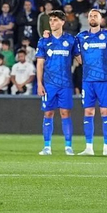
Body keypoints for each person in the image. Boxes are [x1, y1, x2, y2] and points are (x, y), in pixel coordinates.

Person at [34, 11, 77, 155]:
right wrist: (39, 83)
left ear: (62, 22)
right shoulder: (43, 41)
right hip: (49, 84)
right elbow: (40, 64)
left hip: (66, 84)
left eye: (55, 20)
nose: (52, 22)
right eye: (51, 20)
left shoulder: (70, 40)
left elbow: (79, 58)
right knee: (48, 113)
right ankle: (47, 147)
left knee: (65, 113)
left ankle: (68, 147)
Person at [76, 8, 107, 154]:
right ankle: (89, 147)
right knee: (88, 111)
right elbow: (72, 49)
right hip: (88, 80)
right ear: (88, 19)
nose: (93, 18)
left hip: (103, 80)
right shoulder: (81, 36)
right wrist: (80, 60)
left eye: (95, 16)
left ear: (101, 20)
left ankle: (106, 147)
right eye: (90, 16)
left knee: (105, 111)